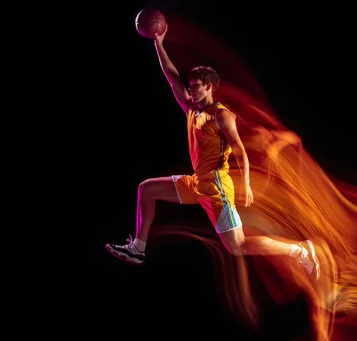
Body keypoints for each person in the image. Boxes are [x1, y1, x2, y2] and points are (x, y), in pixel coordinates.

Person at [105, 24, 324, 281]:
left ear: (209, 87)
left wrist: (249, 184)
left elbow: (239, 149)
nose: (191, 89)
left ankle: (300, 250)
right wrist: (158, 44)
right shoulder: (191, 110)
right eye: (191, 85)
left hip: (218, 188)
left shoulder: (221, 115)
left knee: (238, 246)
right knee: (147, 189)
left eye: (196, 85)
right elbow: (171, 75)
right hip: (198, 182)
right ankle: (138, 249)